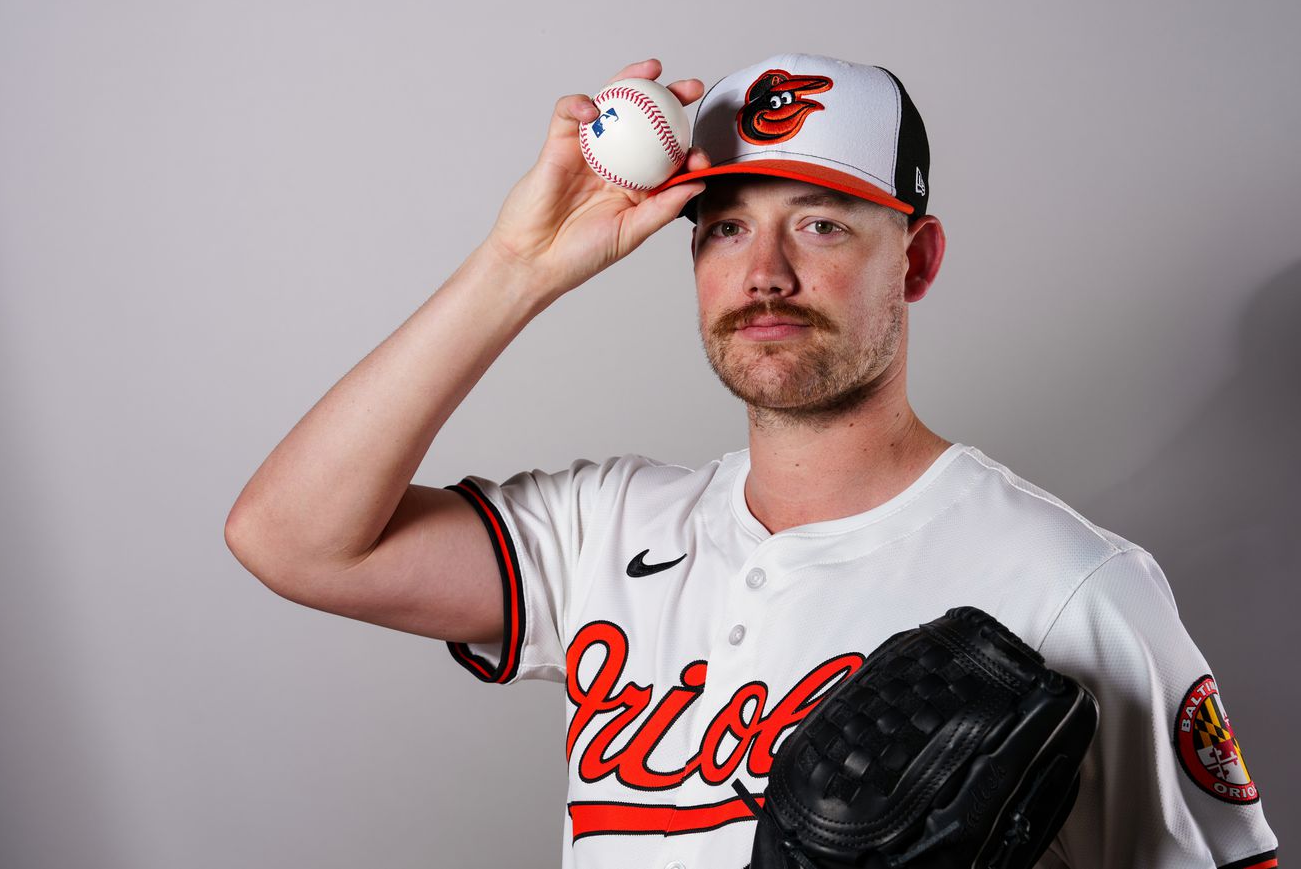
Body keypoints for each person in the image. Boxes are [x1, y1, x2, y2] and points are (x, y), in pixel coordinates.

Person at [225, 54, 1279, 869]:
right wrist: (515, 270)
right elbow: (293, 540)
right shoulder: (605, 530)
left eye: (819, 224)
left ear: (913, 260)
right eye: (724, 229)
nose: (763, 275)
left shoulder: (1070, 588)